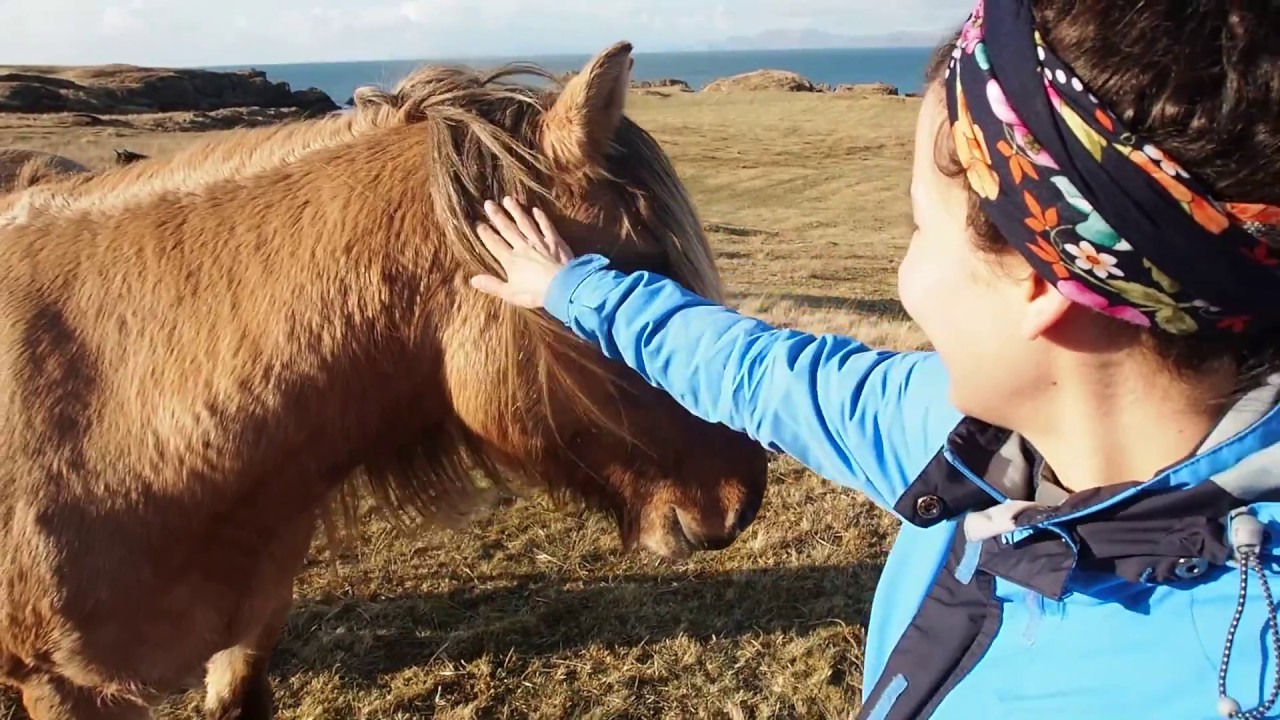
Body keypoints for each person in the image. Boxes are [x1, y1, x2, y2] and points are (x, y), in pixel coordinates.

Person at [469, 0, 1280, 717]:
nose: (905, 275)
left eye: (921, 227)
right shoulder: (966, 438)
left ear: (1041, 283)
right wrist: (577, 289)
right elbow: (760, 371)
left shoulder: (1242, 668)